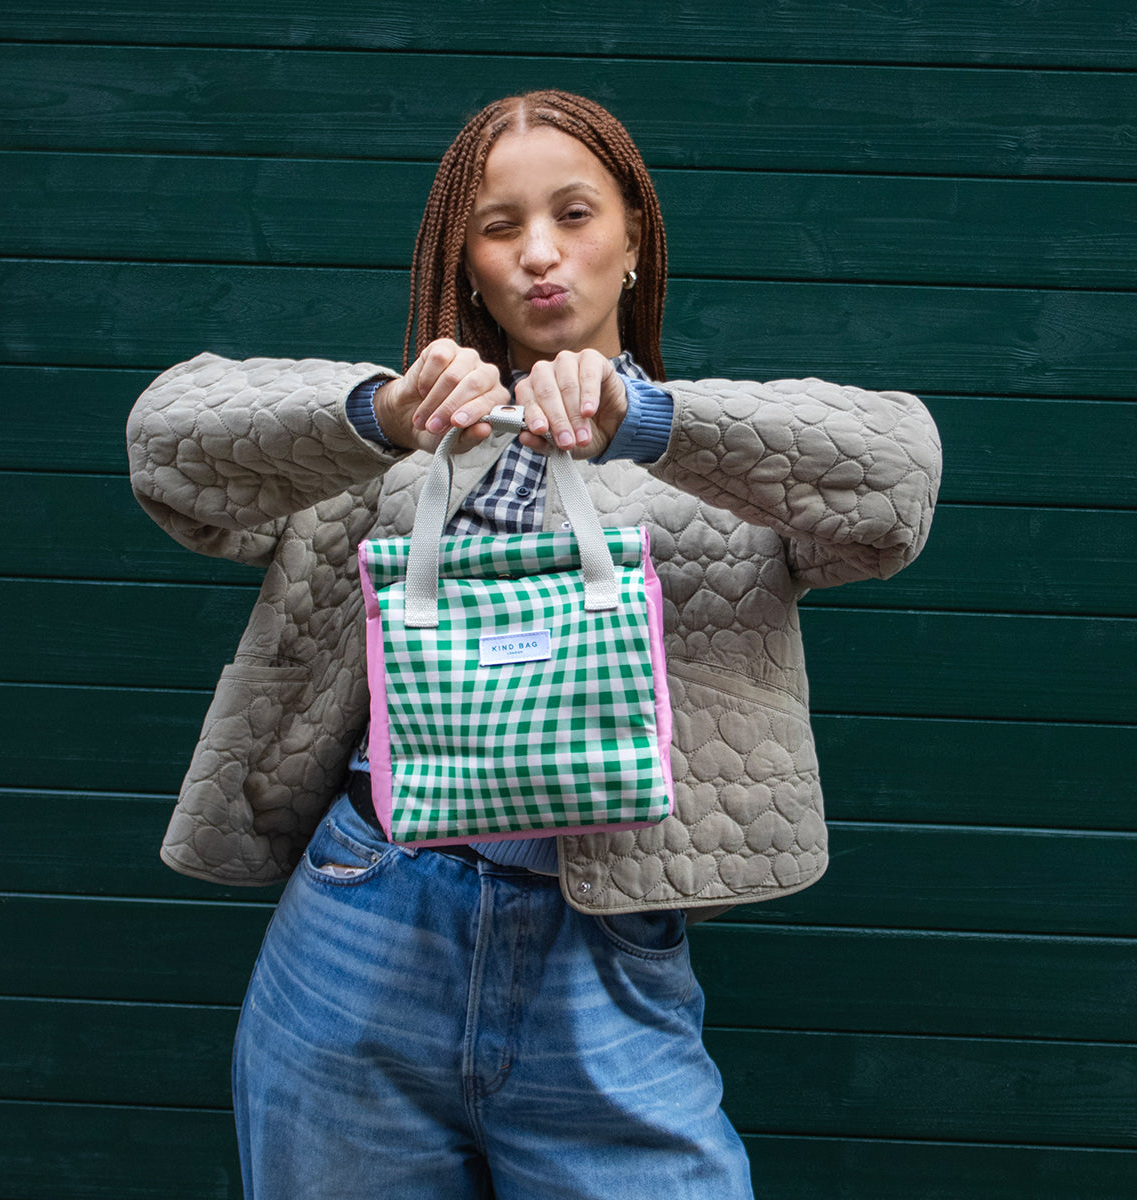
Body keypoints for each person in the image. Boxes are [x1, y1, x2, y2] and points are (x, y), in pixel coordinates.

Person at [127, 90, 941, 1199]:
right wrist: (379, 414)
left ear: (635, 238)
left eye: (575, 214)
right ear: (464, 261)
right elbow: (167, 445)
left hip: (602, 955)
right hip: (365, 920)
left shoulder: (717, 472)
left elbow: (899, 481)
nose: (541, 255)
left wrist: (645, 421)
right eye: (500, 226)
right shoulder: (387, 451)